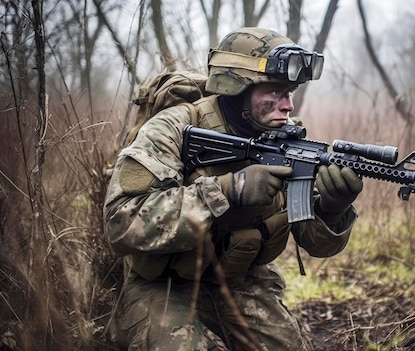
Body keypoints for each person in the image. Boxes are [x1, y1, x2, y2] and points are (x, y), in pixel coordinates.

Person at [103, 27, 363, 351]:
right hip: (165, 284)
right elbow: (120, 222)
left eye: (291, 92)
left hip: (240, 280)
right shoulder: (172, 127)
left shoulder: (287, 139)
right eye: (276, 92)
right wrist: (228, 190)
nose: (288, 105)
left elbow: (316, 244)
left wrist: (332, 208)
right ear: (239, 87)